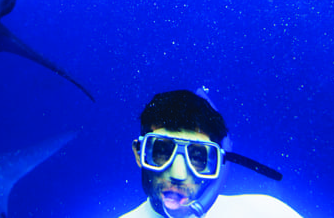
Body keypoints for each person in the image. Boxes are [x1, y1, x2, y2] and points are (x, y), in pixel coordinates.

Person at [121, 88, 304, 218]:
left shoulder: (266, 213)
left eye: (197, 157)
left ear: (217, 163)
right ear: (139, 154)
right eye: (162, 152)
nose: (178, 174)